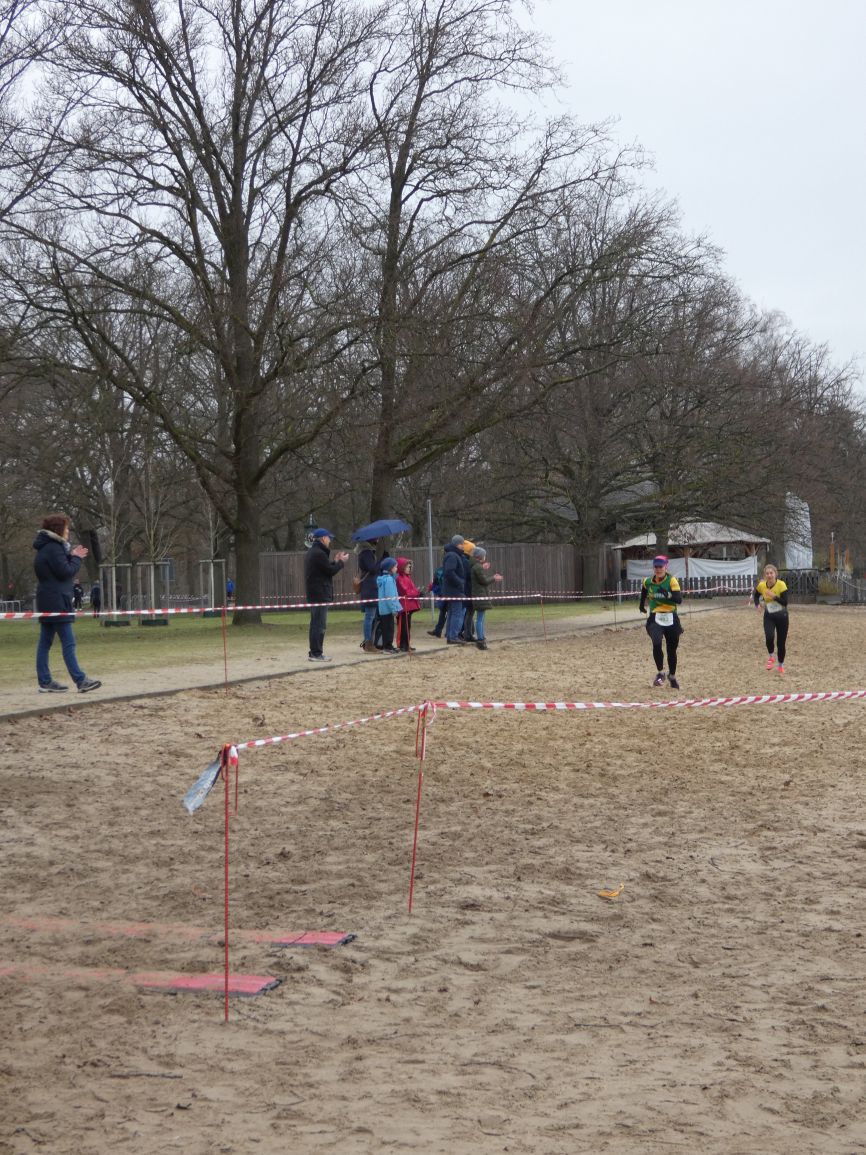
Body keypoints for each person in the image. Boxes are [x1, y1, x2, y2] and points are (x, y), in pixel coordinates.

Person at [33, 513, 102, 693]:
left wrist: (70, 556)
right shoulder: (54, 548)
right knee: (68, 642)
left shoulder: (45, 548)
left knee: (45, 642)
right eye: (66, 528)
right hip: (58, 601)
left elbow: (58, 570)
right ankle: (81, 680)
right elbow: (66, 572)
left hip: (47, 600)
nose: (68, 531)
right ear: (58, 530)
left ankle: (45, 681)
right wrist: (76, 557)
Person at [303, 528, 349, 662]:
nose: (330, 541)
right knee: (319, 625)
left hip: (315, 593)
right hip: (319, 593)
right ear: (323, 538)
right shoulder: (318, 553)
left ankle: (314, 652)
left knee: (315, 624)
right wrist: (341, 562)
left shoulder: (314, 552)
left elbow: (325, 568)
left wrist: (335, 561)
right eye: (329, 538)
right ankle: (316, 653)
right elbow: (330, 571)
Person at [639, 555, 684, 689]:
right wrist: (641, 605)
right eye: (656, 567)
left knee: (672, 649)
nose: (658, 569)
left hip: (671, 617)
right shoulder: (648, 581)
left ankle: (672, 676)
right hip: (655, 617)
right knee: (657, 642)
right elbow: (644, 590)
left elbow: (679, 600)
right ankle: (660, 673)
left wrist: (668, 595)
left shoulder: (672, 581)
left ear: (666, 567)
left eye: (661, 566)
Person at [753, 563, 789, 674]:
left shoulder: (781, 585)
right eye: (767, 573)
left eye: (771, 573)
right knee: (769, 636)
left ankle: (781, 665)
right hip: (769, 615)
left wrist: (774, 597)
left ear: (775, 574)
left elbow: (785, 602)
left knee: (781, 643)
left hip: (782, 616)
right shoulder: (762, 585)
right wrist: (757, 605)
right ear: (765, 575)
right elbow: (756, 595)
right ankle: (771, 656)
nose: (769, 575)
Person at [469, 547, 502, 650]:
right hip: (480, 595)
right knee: (480, 619)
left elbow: (479, 576)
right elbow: (484, 581)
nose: (485, 557)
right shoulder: (477, 567)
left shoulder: (476, 566)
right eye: (484, 555)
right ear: (480, 556)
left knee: (481, 618)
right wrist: (494, 578)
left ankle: (482, 637)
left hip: (479, 594)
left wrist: (483, 567)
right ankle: (480, 640)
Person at [441, 534, 467, 644]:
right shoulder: (452, 555)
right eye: (462, 544)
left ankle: (450, 635)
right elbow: (449, 572)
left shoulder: (453, 554)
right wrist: (460, 582)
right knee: (457, 613)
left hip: (452, 589)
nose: (463, 546)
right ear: (457, 544)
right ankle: (453, 636)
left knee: (452, 612)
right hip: (454, 590)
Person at [356, 537, 380, 654]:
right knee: (369, 617)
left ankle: (370, 641)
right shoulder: (366, 553)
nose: (378, 540)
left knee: (372, 617)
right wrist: (379, 563)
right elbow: (372, 568)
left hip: (370, 587)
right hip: (369, 588)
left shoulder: (367, 552)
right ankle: (368, 642)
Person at [375, 557, 403, 654]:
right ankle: (387, 647)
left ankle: (389, 645)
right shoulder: (389, 580)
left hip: (384, 609)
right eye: (395, 567)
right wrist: (394, 609)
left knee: (387, 628)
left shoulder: (385, 579)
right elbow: (390, 596)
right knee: (389, 629)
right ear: (390, 568)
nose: (396, 569)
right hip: (388, 609)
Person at [395, 557, 422, 651]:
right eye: (407, 566)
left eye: (410, 566)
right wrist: (417, 593)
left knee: (407, 626)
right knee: (403, 626)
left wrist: (418, 592)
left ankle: (406, 644)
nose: (409, 568)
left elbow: (412, 589)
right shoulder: (399, 578)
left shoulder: (407, 577)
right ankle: (402, 645)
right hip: (403, 606)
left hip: (409, 606)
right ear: (402, 567)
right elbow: (406, 591)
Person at [458, 539, 477, 642]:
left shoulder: (464, 560)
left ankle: (468, 633)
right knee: (469, 613)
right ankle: (468, 634)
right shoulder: (466, 562)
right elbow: (468, 576)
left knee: (468, 613)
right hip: (467, 590)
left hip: (465, 589)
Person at [426, 564, 447, 638]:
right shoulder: (450, 569)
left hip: (441, 594)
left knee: (443, 613)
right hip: (448, 594)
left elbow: (434, 583)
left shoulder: (439, 570)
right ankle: (445, 632)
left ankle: (438, 631)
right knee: (448, 613)